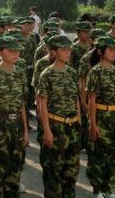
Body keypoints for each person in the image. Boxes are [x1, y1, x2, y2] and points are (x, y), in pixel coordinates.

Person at [0, 36, 29, 197]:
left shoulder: (20, 73)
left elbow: (22, 103)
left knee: (15, 169)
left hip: (16, 124)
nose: (15, 54)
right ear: (0, 52)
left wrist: (25, 131)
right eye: (11, 51)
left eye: (17, 51)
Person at [37, 35, 81, 198]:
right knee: (53, 171)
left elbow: (75, 98)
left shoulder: (72, 72)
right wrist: (47, 131)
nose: (68, 52)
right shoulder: (46, 74)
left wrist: (79, 121)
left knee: (71, 171)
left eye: (69, 49)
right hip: (56, 126)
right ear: (54, 52)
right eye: (63, 50)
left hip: (72, 126)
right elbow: (42, 104)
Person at [86, 36, 115, 198]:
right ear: (101, 52)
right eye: (110, 49)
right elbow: (92, 99)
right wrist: (93, 124)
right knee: (98, 156)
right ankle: (98, 191)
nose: (114, 52)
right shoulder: (95, 72)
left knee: (113, 155)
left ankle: (108, 190)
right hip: (101, 116)